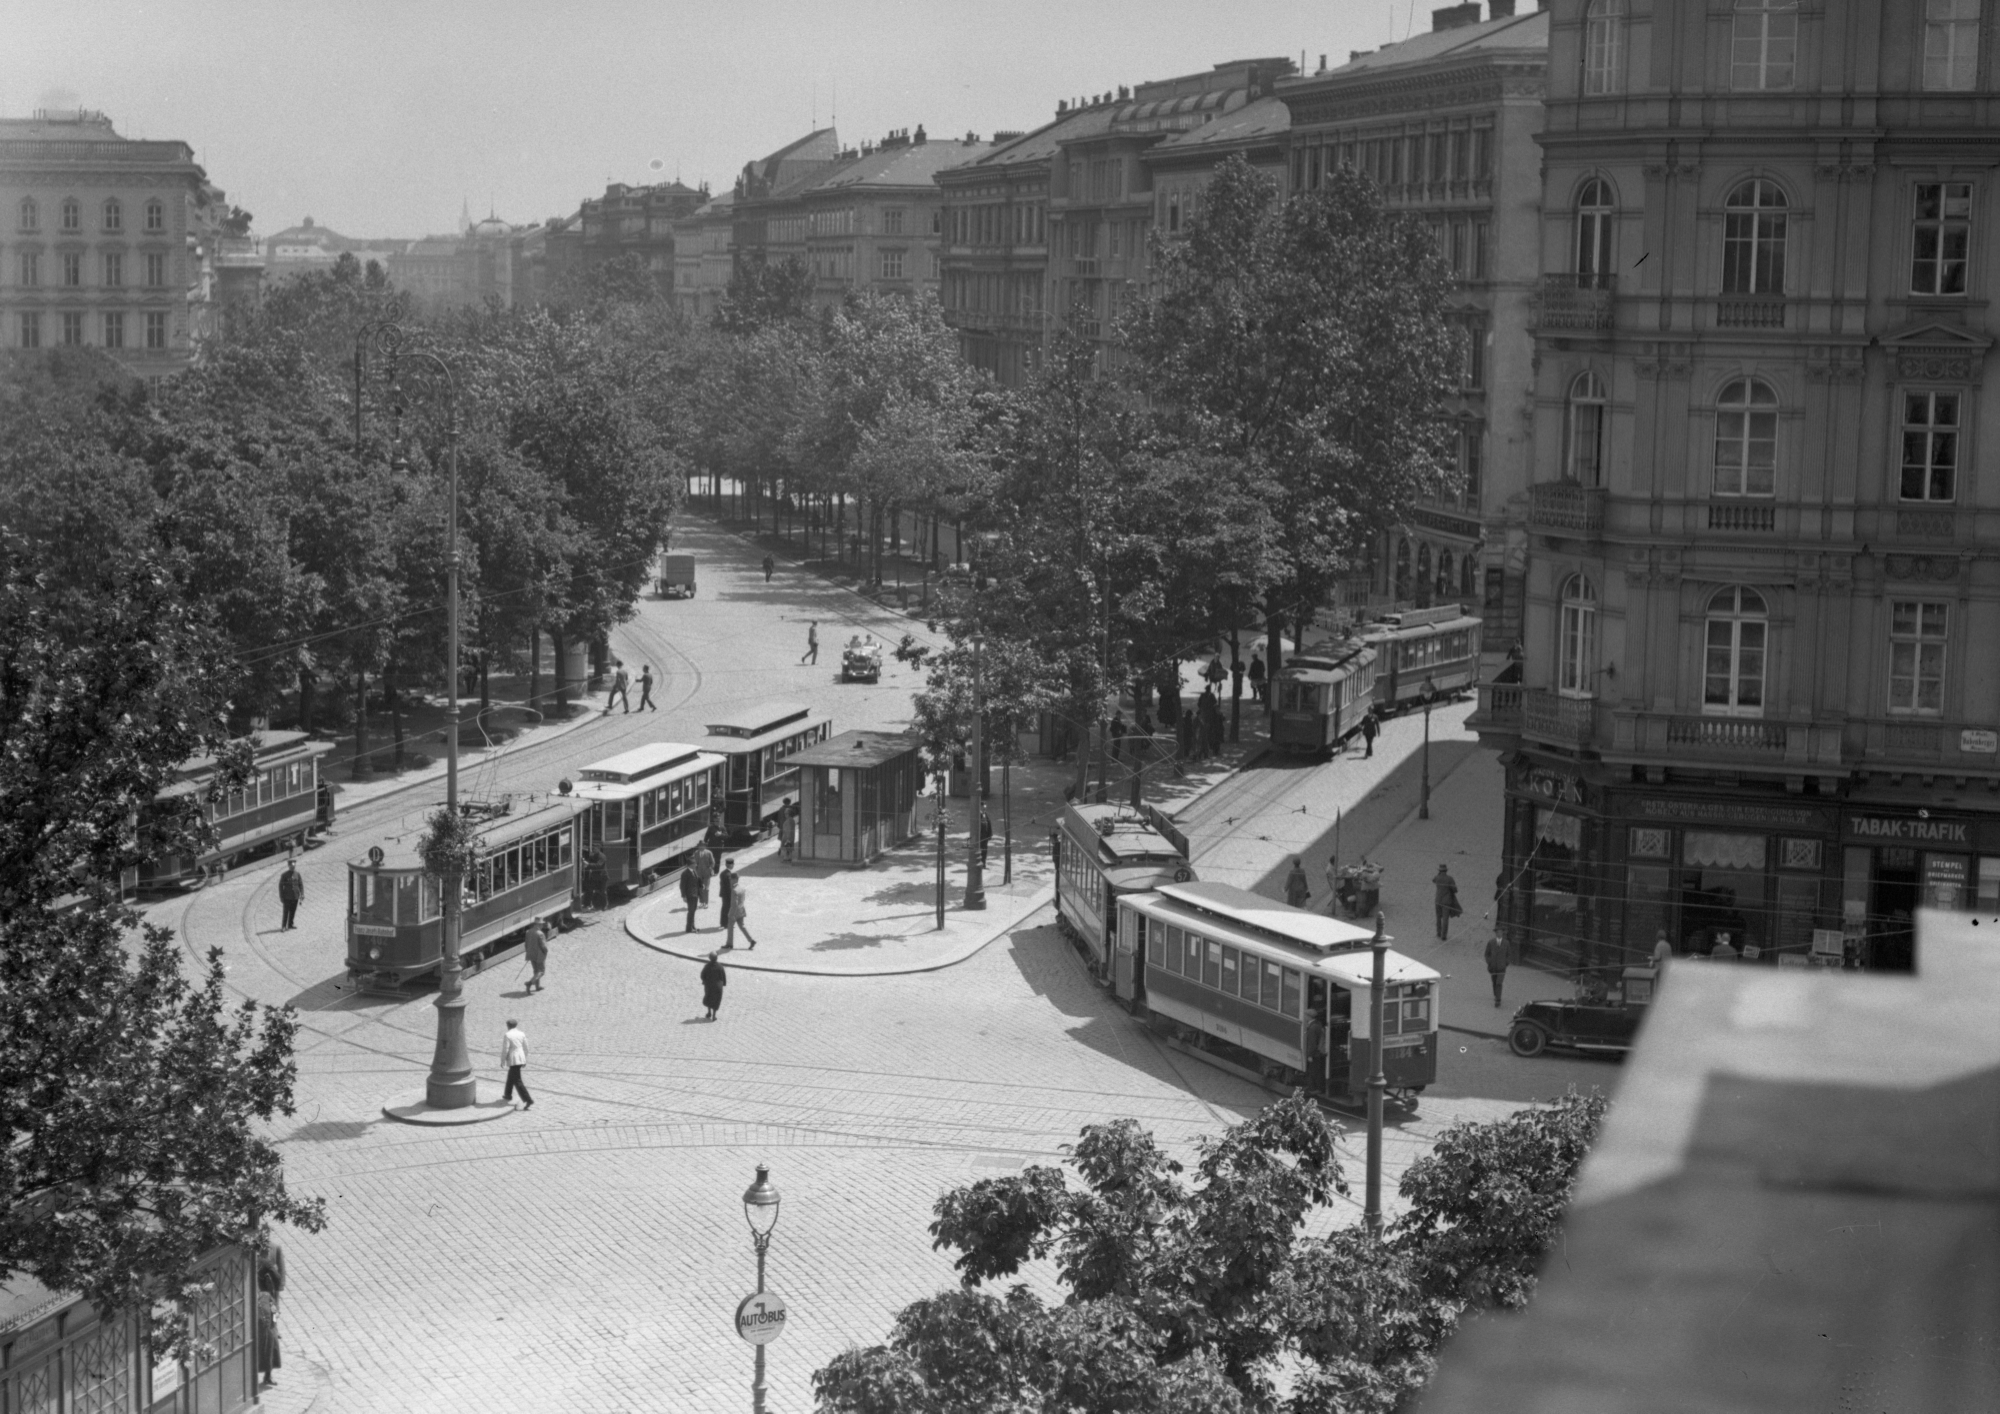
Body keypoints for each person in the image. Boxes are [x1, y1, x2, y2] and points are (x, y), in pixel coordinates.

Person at [501, 1019, 533, 1108]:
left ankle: (528, 1099)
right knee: (511, 1076)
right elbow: (526, 1047)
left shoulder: (507, 1035)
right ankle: (507, 1094)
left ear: (508, 1026)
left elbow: (506, 1049)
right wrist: (525, 1059)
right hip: (521, 1057)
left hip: (513, 1059)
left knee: (517, 1081)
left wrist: (503, 1060)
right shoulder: (521, 1033)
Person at [1303, 1008, 1329, 1093]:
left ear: (1308, 1017)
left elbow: (1312, 1043)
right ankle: (1317, 1088)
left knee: (1313, 1072)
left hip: (1315, 1054)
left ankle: (1315, 1089)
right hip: (1319, 1053)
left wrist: (1310, 1055)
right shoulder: (1318, 1024)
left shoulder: (1312, 1028)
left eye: (1305, 1016)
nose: (1304, 1017)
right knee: (1318, 1071)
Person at [726, 881, 757, 950]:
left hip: (735, 912)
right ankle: (751, 940)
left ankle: (729, 944)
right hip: (741, 910)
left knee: (730, 927)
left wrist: (732, 914)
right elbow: (742, 900)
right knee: (742, 926)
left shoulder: (734, 890)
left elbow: (734, 903)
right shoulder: (741, 888)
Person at [1434, 864, 1461, 941]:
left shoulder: (1437, 878)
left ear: (1439, 871)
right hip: (1446, 901)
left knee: (1438, 917)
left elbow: (1433, 880)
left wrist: (1438, 874)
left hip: (1438, 900)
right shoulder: (1449, 879)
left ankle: (1438, 932)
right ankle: (1443, 935)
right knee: (1445, 919)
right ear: (1446, 871)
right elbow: (1455, 890)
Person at [1483, 934, 1510, 1007]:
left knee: (1499, 983)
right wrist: (1490, 962)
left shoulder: (1506, 943)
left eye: (1501, 932)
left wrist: (1505, 963)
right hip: (1493, 968)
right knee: (1494, 981)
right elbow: (1487, 954)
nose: (1499, 934)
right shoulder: (1491, 942)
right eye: (1498, 932)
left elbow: (1508, 954)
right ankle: (1496, 994)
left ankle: (1498, 1000)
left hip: (1502, 968)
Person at [523, 918, 548, 992]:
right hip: (539, 955)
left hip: (531, 954)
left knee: (535, 970)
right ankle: (530, 983)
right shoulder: (540, 933)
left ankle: (537, 986)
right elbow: (543, 946)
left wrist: (528, 952)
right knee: (541, 971)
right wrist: (545, 952)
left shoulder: (528, 932)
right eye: (541, 924)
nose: (542, 926)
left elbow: (526, 944)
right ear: (538, 925)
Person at [277, 859, 304, 930]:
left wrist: (302, 894)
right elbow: (281, 886)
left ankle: (290, 924)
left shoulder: (297, 874)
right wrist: (281, 896)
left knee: (293, 911)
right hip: (287, 897)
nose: (293, 868)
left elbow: (300, 884)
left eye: (294, 866)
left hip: (295, 896)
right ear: (288, 866)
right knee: (286, 912)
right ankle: (283, 926)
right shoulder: (284, 875)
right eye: (291, 866)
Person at [701, 951, 728, 1020]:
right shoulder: (720, 966)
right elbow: (723, 976)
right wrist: (723, 984)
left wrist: (704, 981)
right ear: (717, 958)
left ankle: (709, 1012)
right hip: (718, 986)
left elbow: (702, 975)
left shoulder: (707, 966)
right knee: (716, 1000)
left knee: (709, 997)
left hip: (709, 985)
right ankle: (714, 1016)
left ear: (709, 958)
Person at [582, 845, 609, 911]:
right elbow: (590, 862)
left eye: (595, 848)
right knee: (589, 889)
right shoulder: (593, 856)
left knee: (603, 892)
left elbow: (598, 866)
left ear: (598, 849)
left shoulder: (602, 856)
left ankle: (604, 906)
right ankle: (586, 904)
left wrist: (588, 864)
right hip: (595, 877)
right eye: (593, 848)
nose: (593, 850)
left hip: (602, 877)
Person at [717, 858, 738, 944]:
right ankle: (726, 924)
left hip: (724, 894)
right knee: (728, 908)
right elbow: (729, 886)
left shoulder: (723, 873)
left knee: (725, 908)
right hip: (728, 894)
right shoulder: (728, 874)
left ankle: (724, 923)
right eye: (732, 864)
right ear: (730, 865)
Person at [678, 863, 702, 933]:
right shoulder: (685, 873)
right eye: (694, 864)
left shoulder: (694, 871)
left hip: (695, 894)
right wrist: (684, 896)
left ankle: (692, 926)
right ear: (690, 865)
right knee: (691, 911)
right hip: (690, 895)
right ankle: (688, 928)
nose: (696, 865)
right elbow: (682, 885)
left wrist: (701, 884)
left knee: (693, 910)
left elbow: (697, 880)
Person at [691, 841, 716, 907]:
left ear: (705, 846)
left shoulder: (708, 853)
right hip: (699, 874)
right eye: (700, 846)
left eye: (702, 846)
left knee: (706, 888)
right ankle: (702, 902)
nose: (701, 847)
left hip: (706, 873)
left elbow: (712, 862)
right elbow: (693, 862)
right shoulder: (696, 853)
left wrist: (710, 869)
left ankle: (706, 903)